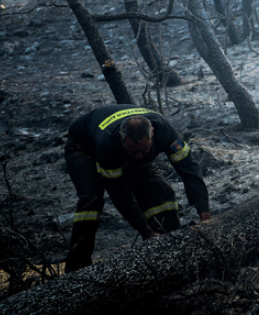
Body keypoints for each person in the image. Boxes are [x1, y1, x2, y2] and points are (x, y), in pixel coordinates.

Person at [63, 104, 211, 272]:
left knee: (160, 191)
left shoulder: (165, 131)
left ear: (153, 134)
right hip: (83, 145)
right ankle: (77, 266)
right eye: (133, 151)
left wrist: (204, 215)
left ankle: (167, 241)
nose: (139, 156)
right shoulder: (108, 145)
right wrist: (145, 231)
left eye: (144, 150)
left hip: (118, 147)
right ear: (121, 137)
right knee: (92, 199)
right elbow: (119, 194)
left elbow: (189, 169)